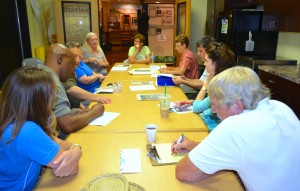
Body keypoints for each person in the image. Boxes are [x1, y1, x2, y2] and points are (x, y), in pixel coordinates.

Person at [174, 66, 300, 190]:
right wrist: (198, 146)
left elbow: (184, 172)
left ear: (238, 106)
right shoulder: (281, 107)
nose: (213, 110)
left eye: (216, 105)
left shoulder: (235, 126)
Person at [0, 66, 82, 190]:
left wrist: (75, 148)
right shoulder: (27, 131)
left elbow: (57, 141)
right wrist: (77, 152)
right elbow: (69, 169)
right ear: (41, 99)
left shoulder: (10, 120)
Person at [37, 43, 104, 137]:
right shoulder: (52, 81)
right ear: (60, 59)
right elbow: (67, 126)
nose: (73, 70)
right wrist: (95, 112)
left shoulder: (38, 72)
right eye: (71, 64)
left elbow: (53, 114)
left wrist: (75, 112)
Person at [176, 42, 235, 131]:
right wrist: (193, 101)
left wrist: (206, 83)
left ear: (216, 64)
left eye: (207, 61)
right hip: (204, 124)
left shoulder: (219, 87)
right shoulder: (223, 80)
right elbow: (205, 103)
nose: (204, 64)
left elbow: (196, 108)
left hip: (207, 130)